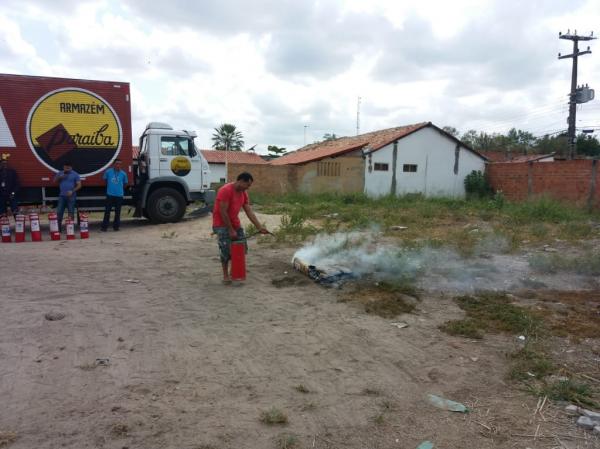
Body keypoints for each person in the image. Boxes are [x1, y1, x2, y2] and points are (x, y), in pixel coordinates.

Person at [212, 172, 269, 284]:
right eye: (247, 185)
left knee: (241, 248)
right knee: (225, 250)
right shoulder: (225, 190)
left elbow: (249, 211)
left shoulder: (243, 193)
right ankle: (225, 276)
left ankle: (234, 271)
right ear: (241, 181)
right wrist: (230, 230)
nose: (248, 188)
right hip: (221, 224)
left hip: (235, 223)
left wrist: (259, 227)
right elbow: (222, 211)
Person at [101, 158, 128, 231]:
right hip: (110, 194)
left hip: (119, 195)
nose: (118, 165)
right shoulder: (108, 172)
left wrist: (119, 189)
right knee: (107, 211)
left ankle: (116, 227)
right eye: (117, 163)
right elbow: (105, 180)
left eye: (119, 164)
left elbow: (125, 184)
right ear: (113, 164)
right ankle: (104, 227)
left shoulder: (123, 173)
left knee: (118, 212)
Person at [53, 161, 81, 232]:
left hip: (71, 196)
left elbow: (79, 185)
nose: (67, 169)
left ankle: (70, 229)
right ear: (64, 167)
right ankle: (58, 229)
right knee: (59, 212)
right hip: (62, 196)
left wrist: (72, 191)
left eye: (68, 168)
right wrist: (60, 177)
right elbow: (54, 181)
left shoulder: (75, 174)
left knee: (71, 212)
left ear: (71, 167)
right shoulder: (60, 173)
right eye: (66, 167)